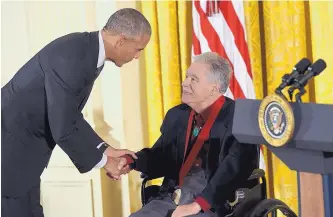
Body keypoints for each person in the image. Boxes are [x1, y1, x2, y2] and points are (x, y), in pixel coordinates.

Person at [1, 8, 151, 217]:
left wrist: (105, 149)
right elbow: (62, 123)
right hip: (11, 148)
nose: (136, 57)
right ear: (120, 41)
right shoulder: (73, 55)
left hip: (24, 150)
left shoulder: (86, 51)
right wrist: (104, 162)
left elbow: (70, 114)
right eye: (138, 49)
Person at [118, 52, 259, 217]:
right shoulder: (177, 115)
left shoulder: (239, 117)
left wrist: (197, 205)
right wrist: (131, 161)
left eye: (194, 79)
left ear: (214, 87)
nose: (184, 83)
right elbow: (161, 156)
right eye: (186, 77)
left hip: (213, 203)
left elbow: (234, 168)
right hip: (171, 198)